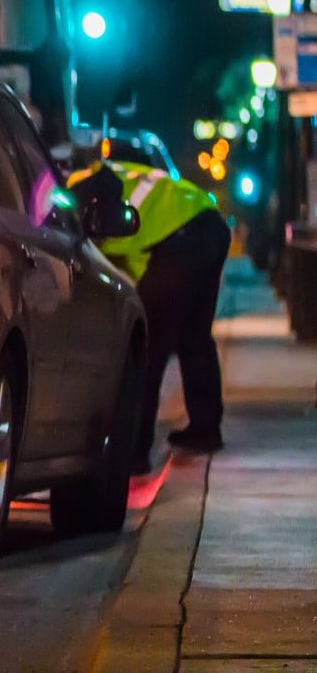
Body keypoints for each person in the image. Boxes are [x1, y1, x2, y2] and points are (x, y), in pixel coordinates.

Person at [69, 159, 231, 473]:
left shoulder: (80, 185)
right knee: (194, 338)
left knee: (148, 350)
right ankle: (205, 430)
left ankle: (134, 452)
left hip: (177, 237)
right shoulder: (115, 170)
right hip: (207, 225)